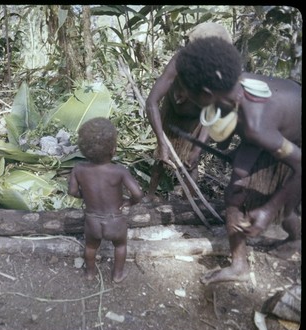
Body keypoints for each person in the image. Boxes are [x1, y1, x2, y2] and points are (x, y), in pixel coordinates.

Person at [174, 36, 301, 284]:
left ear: (206, 94)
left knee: (285, 203)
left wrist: (268, 210)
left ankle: (294, 238)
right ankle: (239, 266)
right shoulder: (232, 84)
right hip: (274, 131)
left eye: (188, 93)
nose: (183, 96)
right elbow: (223, 119)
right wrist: (203, 149)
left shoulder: (256, 125)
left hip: (292, 140)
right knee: (236, 192)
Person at [145, 22, 232, 200]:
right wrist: (162, 142)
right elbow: (152, 102)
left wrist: (197, 149)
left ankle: (189, 202)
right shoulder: (179, 60)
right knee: (160, 159)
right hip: (172, 113)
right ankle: (150, 195)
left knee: (191, 163)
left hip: (197, 118)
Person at [68, 117, 144, 283]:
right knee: (120, 246)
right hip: (115, 220)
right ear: (113, 149)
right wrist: (129, 202)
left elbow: (72, 191)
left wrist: (86, 195)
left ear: (83, 149)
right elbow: (137, 194)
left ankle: (90, 273)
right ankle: (117, 275)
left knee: (90, 247)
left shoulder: (78, 169)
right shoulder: (119, 171)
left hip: (92, 221)